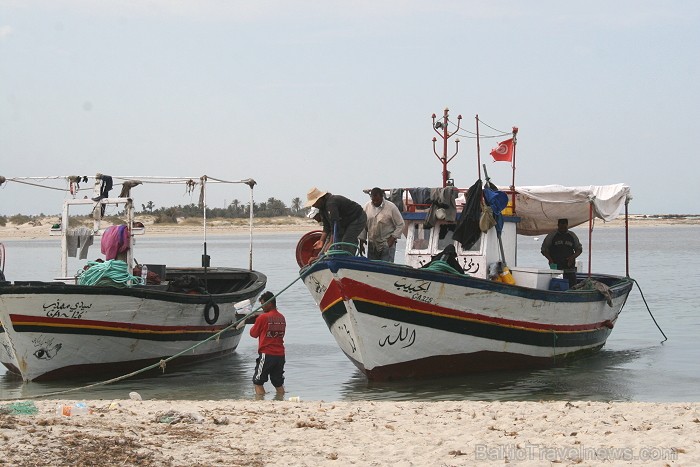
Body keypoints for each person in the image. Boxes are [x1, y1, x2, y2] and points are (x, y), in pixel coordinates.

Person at [305, 187, 367, 256]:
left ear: (319, 199)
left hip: (357, 217)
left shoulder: (331, 203)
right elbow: (326, 226)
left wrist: (331, 243)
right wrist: (321, 240)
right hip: (345, 221)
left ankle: (348, 259)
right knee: (339, 240)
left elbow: (335, 224)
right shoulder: (322, 208)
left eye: (314, 203)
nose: (313, 205)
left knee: (346, 241)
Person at [249, 291, 286, 396]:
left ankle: (260, 401)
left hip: (267, 354)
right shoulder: (282, 318)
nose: (262, 308)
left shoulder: (262, 318)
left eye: (263, 305)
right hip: (280, 355)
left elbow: (253, 334)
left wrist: (256, 321)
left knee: (258, 381)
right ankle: (281, 399)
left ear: (269, 303)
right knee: (278, 382)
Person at [359, 187, 405, 262]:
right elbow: (363, 225)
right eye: (373, 200)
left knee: (386, 266)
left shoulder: (391, 207)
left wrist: (393, 238)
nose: (375, 202)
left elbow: (401, 224)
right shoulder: (367, 207)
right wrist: (362, 241)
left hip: (387, 243)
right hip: (372, 244)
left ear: (382, 197)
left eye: (377, 200)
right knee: (372, 268)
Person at [541, 218, 583, 287]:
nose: (563, 228)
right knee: (556, 286)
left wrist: (572, 257)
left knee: (572, 286)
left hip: (570, 267)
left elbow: (579, 249)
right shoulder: (552, 235)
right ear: (558, 225)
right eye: (561, 226)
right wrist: (550, 260)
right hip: (556, 267)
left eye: (565, 226)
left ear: (567, 225)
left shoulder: (572, 235)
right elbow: (544, 250)